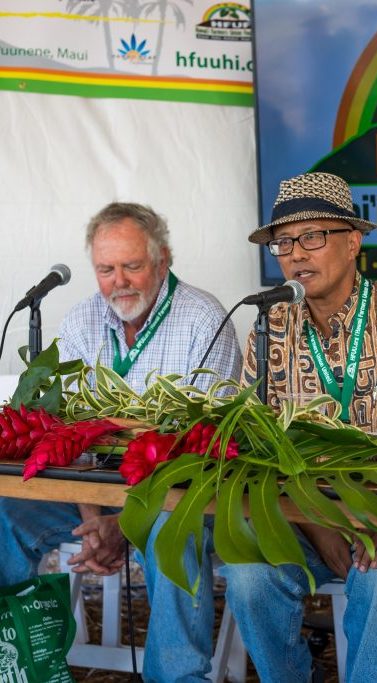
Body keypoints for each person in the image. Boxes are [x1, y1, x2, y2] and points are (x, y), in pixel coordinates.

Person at [219, 171, 377, 682]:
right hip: (307, 516)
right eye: (284, 242)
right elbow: (257, 451)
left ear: (353, 241)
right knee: (248, 577)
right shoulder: (272, 324)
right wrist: (319, 528)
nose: (296, 254)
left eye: (313, 237)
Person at [0, 202, 242, 678]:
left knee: (172, 530)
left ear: (163, 260)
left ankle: (176, 677)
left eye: (132, 266)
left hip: (174, 496)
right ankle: (13, 663)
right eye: (106, 270)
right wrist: (95, 513)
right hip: (88, 493)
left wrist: (124, 520)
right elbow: (64, 433)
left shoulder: (204, 319)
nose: (119, 282)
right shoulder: (80, 321)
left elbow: (200, 450)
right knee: (5, 516)